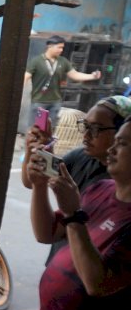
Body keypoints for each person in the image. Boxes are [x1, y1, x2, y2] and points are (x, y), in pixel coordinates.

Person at [23, 118, 131, 310]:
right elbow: (45, 232)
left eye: (123, 144)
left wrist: (73, 213)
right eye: (114, 142)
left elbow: (97, 283)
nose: (111, 150)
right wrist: (39, 186)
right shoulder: (100, 189)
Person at [22, 95, 131, 265]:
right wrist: (36, 150)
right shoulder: (82, 157)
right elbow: (33, 181)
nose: (86, 135)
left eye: (95, 128)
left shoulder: (121, 184)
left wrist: (73, 214)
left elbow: (97, 281)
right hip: (62, 262)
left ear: (121, 132)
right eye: (85, 126)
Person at [24, 35, 102, 129]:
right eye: (59, 47)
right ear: (50, 46)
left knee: (50, 129)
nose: (61, 50)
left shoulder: (63, 61)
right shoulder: (37, 61)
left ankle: (47, 144)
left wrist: (92, 76)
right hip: (39, 102)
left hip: (55, 102)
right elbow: (26, 77)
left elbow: (75, 75)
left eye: (62, 48)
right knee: (36, 129)